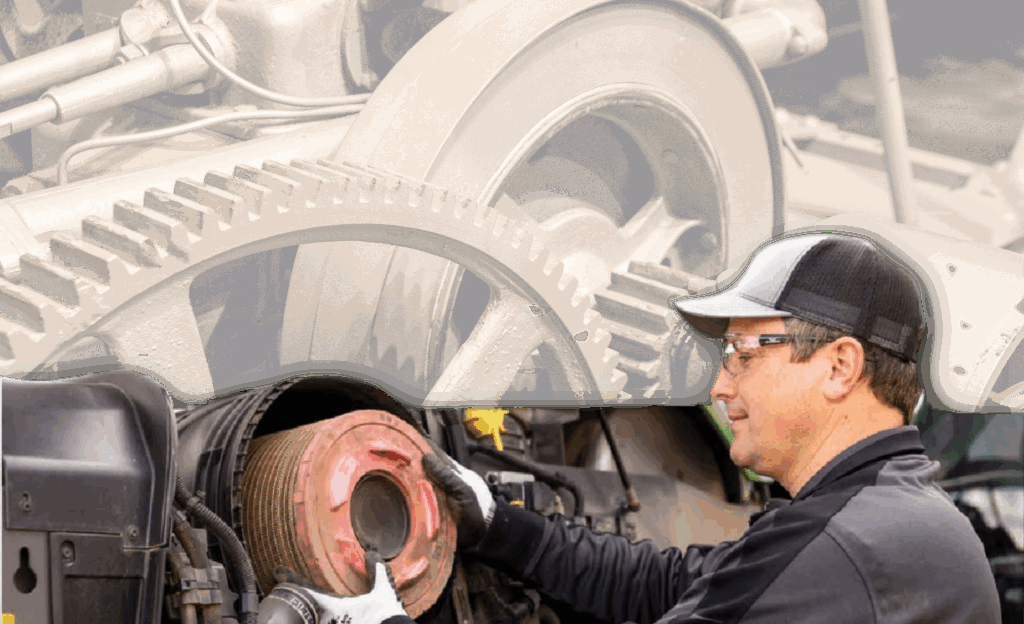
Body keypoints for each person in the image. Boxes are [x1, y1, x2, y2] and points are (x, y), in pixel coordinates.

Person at [259, 232, 1002, 624]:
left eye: (745, 352)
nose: (721, 382)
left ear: (840, 365)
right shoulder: (878, 513)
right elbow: (670, 584)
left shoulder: (843, 545)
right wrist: (499, 528)